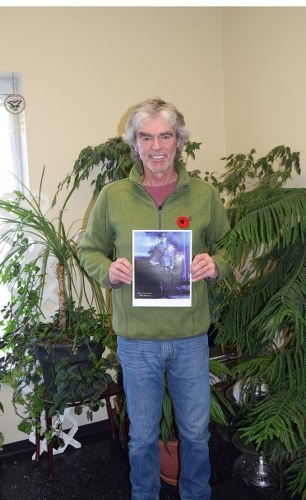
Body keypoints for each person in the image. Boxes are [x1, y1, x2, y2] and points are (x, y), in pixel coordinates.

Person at [78, 98, 231, 500]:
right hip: (137, 342)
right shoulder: (114, 197)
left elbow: (231, 245)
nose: (157, 146)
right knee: (142, 438)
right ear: (135, 143)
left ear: (179, 142)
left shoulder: (203, 195)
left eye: (166, 136)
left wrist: (217, 264)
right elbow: (88, 249)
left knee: (197, 435)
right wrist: (106, 271)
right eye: (146, 137)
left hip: (191, 339)